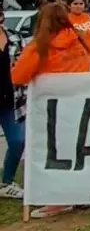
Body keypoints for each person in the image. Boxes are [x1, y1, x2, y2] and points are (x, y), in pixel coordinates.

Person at [12, 3, 90, 219]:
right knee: (79, 150)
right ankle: (83, 194)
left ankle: (59, 199)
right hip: (81, 104)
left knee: (54, 154)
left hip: (52, 109)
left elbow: (18, 76)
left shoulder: (40, 46)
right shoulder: (79, 41)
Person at [0, 13, 24, 199]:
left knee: (17, 141)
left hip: (11, 100)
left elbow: (26, 64)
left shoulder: (15, 37)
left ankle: (6, 182)